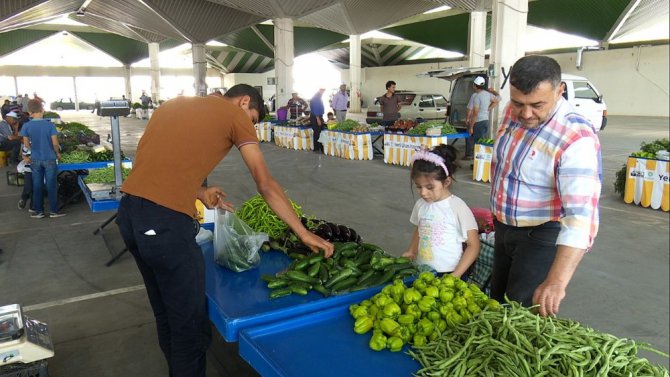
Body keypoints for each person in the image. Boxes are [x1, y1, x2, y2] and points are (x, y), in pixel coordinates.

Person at [114, 84, 333, 377]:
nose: (251, 127)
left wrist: (200, 191)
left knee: (166, 314)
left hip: (129, 216)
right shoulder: (235, 115)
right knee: (190, 331)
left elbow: (153, 168)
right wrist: (302, 232)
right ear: (244, 101)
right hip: (164, 225)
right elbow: (264, 182)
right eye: (253, 119)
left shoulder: (172, 104)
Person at [489, 55, 601, 317]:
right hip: (504, 228)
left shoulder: (576, 137)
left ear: (560, 91)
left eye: (537, 105)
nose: (526, 114)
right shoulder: (511, 111)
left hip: (540, 235)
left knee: (520, 316)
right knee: (496, 305)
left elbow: (580, 216)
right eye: (518, 103)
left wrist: (556, 282)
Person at [402, 144, 480, 278]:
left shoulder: (457, 207)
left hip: (450, 273)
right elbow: (420, 229)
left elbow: (473, 246)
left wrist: (456, 275)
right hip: (423, 270)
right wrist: (411, 250)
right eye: (419, 187)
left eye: (430, 187)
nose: (423, 193)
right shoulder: (421, 205)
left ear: (446, 182)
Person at [19, 99, 65, 219]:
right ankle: (54, 211)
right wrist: (57, 153)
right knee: (51, 185)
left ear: (29, 112)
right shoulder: (50, 125)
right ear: (42, 110)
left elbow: (26, 145)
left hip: (35, 159)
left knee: (37, 185)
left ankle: (39, 211)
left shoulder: (26, 126)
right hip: (50, 159)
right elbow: (55, 143)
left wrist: (27, 156)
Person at [463, 76, 501, 160]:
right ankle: (481, 162)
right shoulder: (488, 94)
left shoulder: (476, 96)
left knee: (477, 143)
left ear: (475, 85)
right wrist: (489, 108)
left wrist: (471, 126)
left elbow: (475, 113)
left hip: (478, 122)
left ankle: (477, 161)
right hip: (485, 121)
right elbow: (498, 99)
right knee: (482, 141)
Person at [309, 88, 326, 153]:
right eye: (322, 90)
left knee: (317, 132)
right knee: (317, 132)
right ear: (319, 90)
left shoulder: (318, 96)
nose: (323, 92)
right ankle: (318, 147)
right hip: (316, 117)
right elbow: (316, 108)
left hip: (317, 116)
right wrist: (318, 119)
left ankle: (317, 147)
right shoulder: (316, 97)